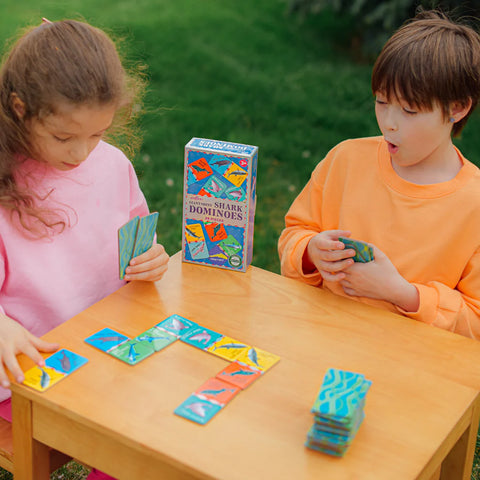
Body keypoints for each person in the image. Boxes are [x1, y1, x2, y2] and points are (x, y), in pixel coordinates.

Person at [0, 18, 169, 479]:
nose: (81, 154)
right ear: (19, 109)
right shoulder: (6, 186)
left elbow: (138, 236)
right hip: (31, 367)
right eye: (63, 137)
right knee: (126, 437)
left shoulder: (111, 165)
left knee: (157, 435)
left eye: (97, 134)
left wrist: (152, 257)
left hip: (107, 346)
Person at [278, 9, 480, 340]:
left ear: (457, 108)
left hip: (408, 369)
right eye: (381, 101)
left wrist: (402, 293)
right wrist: (311, 251)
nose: (389, 122)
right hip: (321, 340)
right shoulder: (346, 159)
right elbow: (294, 234)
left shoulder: (474, 205)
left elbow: (476, 322)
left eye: (410, 110)